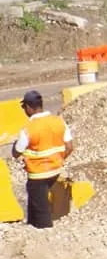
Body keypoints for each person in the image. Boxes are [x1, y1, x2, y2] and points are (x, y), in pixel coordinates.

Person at [11, 90, 73, 229]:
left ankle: (44, 233)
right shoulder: (59, 121)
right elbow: (69, 147)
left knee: (41, 210)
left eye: (24, 108)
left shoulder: (29, 128)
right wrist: (58, 160)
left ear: (28, 107)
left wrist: (15, 145)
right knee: (35, 205)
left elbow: (16, 153)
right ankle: (32, 226)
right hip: (56, 170)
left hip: (38, 175)